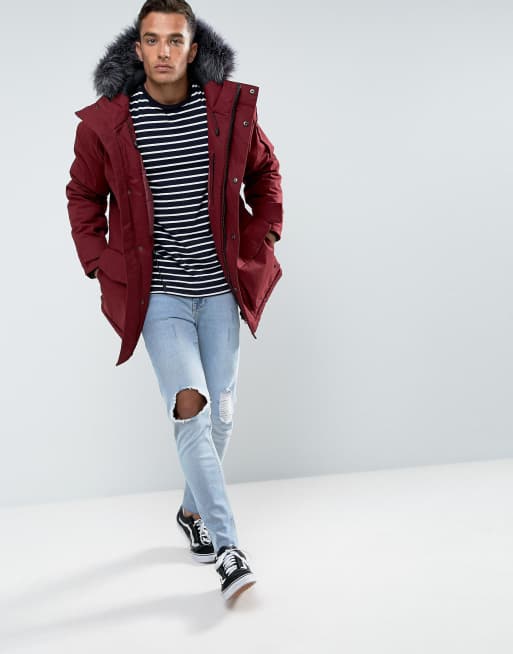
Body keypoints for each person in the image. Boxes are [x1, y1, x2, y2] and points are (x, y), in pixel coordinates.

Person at [65, 0, 283, 602]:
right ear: (137, 48)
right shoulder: (108, 123)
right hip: (158, 294)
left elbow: (266, 173)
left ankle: (192, 512)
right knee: (190, 406)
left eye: (175, 39)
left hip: (219, 289)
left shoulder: (227, 111)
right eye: (152, 39)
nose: (163, 51)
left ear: (193, 47)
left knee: (223, 413)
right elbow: (83, 196)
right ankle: (230, 549)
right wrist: (100, 261)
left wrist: (265, 232)